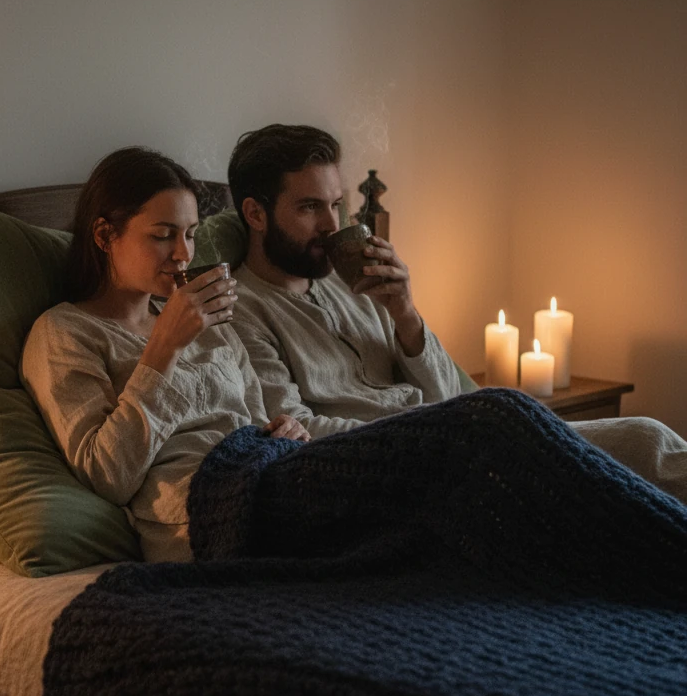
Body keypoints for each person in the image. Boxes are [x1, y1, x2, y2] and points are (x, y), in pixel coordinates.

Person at [225, 123, 687, 503]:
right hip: (404, 461)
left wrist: (406, 314)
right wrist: (429, 430)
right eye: (309, 207)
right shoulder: (241, 311)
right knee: (639, 448)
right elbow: (294, 428)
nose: (331, 225)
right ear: (256, 213)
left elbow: (447, 392)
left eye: (335, 205)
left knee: (644, 440)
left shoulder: (351, 280)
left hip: (458, 437)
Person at [20, 146, 308, 563]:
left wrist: (285, 430)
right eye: (162, 235)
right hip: (200, 505)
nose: (183, 254)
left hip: (266, 472)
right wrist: (164, 347)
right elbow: (108, 475)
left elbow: (255, 421)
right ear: (104, 236)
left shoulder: (207, 321)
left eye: (190, 234)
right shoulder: (65, 334)